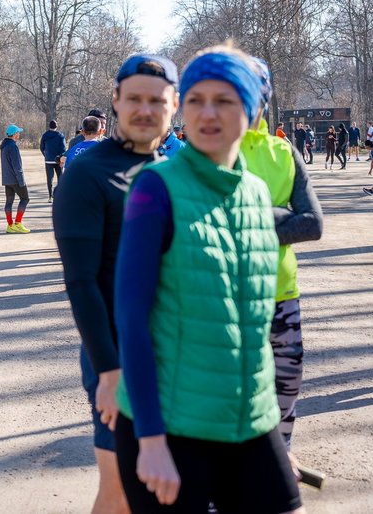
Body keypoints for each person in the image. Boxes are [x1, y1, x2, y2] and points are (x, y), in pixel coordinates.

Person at [113, 45, 303, 513]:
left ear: (254, 110)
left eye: (225, 100)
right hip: (172, 428)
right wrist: (151, 440)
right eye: (196, 99)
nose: (208, 113)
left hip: (250, 421)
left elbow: (254, 325)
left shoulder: (258, 194)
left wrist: (275, 440)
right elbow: (131, 319)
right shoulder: (155, 187)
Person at [53, 52, 179, 514]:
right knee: (120, 490)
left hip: (178, 351)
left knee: (164, 488)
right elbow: (81, 282)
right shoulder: (88, 172)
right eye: (134, 99)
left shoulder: (175, 169)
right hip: (117, 354)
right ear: (116, 102)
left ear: (174, 105)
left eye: (157, 99)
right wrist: (108, 371)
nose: (145, 109)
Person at [244, 58, 323, 471]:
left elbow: (312, 224)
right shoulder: (206, 151)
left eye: (251, 92)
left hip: (282, 294)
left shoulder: (283, 151)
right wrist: (278, 215)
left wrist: (249, 218)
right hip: (231, 300)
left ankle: (279, 460)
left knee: (286, 390)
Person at [0, 124, 30, 233]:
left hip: (7, 179)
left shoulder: (3, 146)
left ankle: (10, 225)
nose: (19, 134)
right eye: (18, 132)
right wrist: (21, 180)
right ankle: (18, 223)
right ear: (14, 134)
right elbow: (17, 166)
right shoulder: (13, 146)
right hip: (15, 179)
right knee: (25, 199)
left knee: (9, 202)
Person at [40, 119, 67, 202]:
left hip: (48, 160)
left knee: (49, 179)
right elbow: (63, 148)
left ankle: (50, 196)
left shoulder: (45, 135)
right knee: (60, 178)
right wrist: (61, 158)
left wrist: (46, 155)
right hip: (58, 160)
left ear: (49, 126)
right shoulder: (60, 135)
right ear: (56, 126)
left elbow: (41, 147)